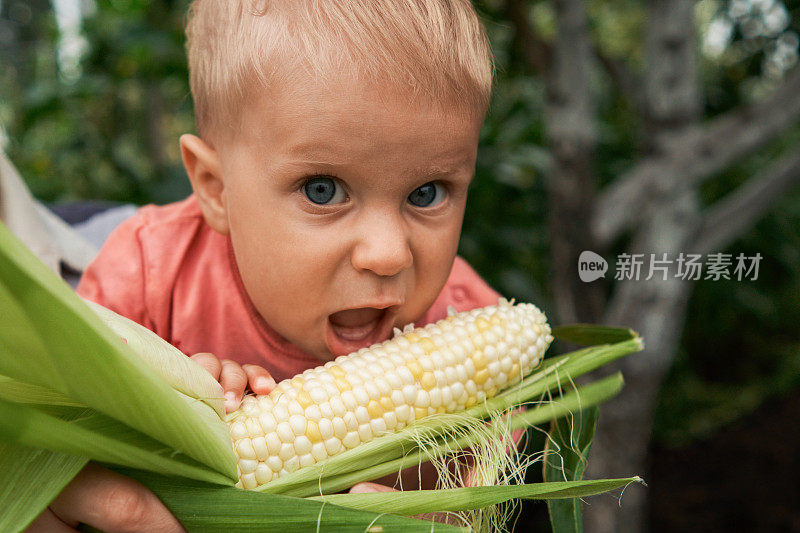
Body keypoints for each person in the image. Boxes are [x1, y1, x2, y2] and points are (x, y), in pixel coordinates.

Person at [28, 0, 500, 530]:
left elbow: (490, 490)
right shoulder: (148, 278)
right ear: (216, 188)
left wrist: (464, 514)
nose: (388, 253)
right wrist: (162, 403)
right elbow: (57, 444)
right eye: (323, 191)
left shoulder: (467, 315)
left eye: (427, 192)